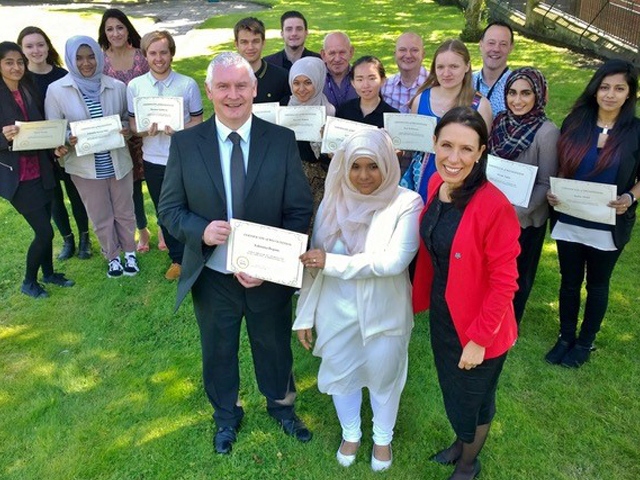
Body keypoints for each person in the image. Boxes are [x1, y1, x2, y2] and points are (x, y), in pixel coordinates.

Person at [157, 52, 314, 455]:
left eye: (240, 85)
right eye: (223, 86)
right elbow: (169, 210)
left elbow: (298, 210)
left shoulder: (279, 141)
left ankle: (282, 407)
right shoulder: (186, 144)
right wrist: (201, 231)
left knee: (274, 344)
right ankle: (226, 415)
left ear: (254, 89)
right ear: (209, 91)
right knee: (218, 348)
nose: (232, 95)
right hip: (212, 275)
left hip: (268, 275)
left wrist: (271, 263)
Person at [293, 128, 422, 471]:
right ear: (344, 168)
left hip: (384, 310)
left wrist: (331, 262)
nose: (364, 176)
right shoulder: (332, 202)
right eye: (355, 166)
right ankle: (351, 433)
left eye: (373, 166)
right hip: (335, 309)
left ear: (387, 166)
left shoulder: (406, 202)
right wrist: (304, 315)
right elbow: (313, 266)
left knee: (384, 375)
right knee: (340, 373)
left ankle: (382, 438)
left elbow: (394, 262)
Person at [412, 107, 519, 480]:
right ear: (434, 144)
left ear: (481, 152)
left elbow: (505, 283)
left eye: (466, 149)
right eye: (446, 145)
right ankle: (461, 443)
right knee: (455, 391)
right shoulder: (435, 186)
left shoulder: (494, 207)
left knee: (473, 399)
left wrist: (479, 339)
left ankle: (469, 462)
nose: (453, 158)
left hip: (481, 325)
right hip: (445, 313)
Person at [545, 59, 640, 368]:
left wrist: (629, 196)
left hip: (608, 224)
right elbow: (561, 165)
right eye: (604, 87)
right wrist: (553, 192)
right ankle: (565, 337)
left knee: (597, 284)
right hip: (570, 219)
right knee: (569, 281)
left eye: (619, 88)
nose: (610, 94)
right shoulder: (575, 122)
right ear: (595, 90)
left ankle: (585, 343)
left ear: (630, 94)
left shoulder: (636, 131)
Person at [45, 36, 138, 279]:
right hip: (85, 168)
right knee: (100, 215)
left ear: (99, 57)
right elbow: (55, 129)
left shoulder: (116, 86)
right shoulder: (56, 91)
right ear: (70, 59)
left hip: (118, 162)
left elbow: (126, 120)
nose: (86, 63)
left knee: (125, 211)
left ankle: (130, 252)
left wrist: (126, 130)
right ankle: (112, 257)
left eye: (91, 57)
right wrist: (67, 137)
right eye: (79, 57)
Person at [127, 30, 203, 280]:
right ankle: (178, 259)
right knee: (165, 212)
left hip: (184, 158)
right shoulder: (136, 86)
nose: (158, 58)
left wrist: (180, 131)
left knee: (192, 207)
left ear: (171, 53)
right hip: (154, 160)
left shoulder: (187, 84)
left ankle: (199, 252)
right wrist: (143, 131)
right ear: (145, 55)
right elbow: (133, 126)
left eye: (163, 52)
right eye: (152, 53)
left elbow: (198, 121)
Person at [0, 41, 74, 298]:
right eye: (9, 62)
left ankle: (49, 274)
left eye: (19, 62)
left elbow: (40, 130)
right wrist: (3, 137)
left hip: (41, 170)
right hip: (17, 177)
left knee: (46, 225)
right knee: (44, 231)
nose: (16, 67)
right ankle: (28, 282)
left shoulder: (28, 88)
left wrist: (55, 147)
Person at [488, 67, 559, 324]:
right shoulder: (499, 122)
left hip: (525, 219)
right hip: (493, 213)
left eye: (526, 93)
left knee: (518, 274)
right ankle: (491, 315)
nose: (517, 100)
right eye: (512, 93)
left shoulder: (546, 132)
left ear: (538, 95)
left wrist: (515, 213)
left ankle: (510, 322)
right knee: (493, 271)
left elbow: (546, 183)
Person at [18, 26, 91, 261]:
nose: (36, 50)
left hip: (68, 145)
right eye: (29, 46)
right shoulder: (21, 79)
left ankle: (85, 238)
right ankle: (67, 239)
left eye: (40, 44)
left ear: (48, 46)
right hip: (39, 150)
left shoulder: (62, 75)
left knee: (76, 192)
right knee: (53, 197)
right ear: (22, 50)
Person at [403, 39, 492, 200]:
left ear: (466, 67)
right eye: (441, 67)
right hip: (421, 177)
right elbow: (411, 145)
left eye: (454, 66)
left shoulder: (480, 106)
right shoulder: (421, 99)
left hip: (460, 179)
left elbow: (481, 153)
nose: (446, 73)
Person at [99, 8, 152, 254]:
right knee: (130, 187)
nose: (115, 33)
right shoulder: (100, 60)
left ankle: (164, 227)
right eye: (110, 29)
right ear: (104, 32)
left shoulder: (142, 56)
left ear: (127, 28)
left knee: (155, 180)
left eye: (120, 27)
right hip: (117, 134)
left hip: (146, 131)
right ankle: (142, 230)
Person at [287, 56, 335, 218]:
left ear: (319, 81)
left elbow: (333, 157)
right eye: (296, 83)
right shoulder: (283, 108)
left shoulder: (330, 112)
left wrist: (325, 141)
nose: (301, 89)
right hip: (288, 180)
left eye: (308, 82)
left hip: (320, 185)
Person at [234, 17, 290, 104]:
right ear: (236, 44)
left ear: (263, 43)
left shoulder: (282, 77)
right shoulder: (228, 78)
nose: (250, 47)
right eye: (244, 42)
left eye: (255, 41)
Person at [336, 56, 399, 127]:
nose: (365, 85)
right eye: (360, 79)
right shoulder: (344, 110)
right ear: (353, 83)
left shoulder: (393, 117)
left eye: (371, 78)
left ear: (383, 80)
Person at [472, 21, 514, 117]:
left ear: (511, 48)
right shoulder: (466, 81)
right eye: (491, 43)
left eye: (503, 44)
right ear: (481, 44)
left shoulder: (517, 85)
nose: (496, 49)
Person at [381, 32, 428, 114]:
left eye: (414, 50)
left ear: (423, 55)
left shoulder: (434, 84)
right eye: (402, 50)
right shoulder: (385, 86)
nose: (408, 55)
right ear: (395, 54)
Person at [321, 32, 358, 109]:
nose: (337, 59)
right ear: (323, 55)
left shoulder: (361, 78)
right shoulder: (315, 80)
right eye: (332, 53)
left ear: (351, 52)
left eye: (342, 52)